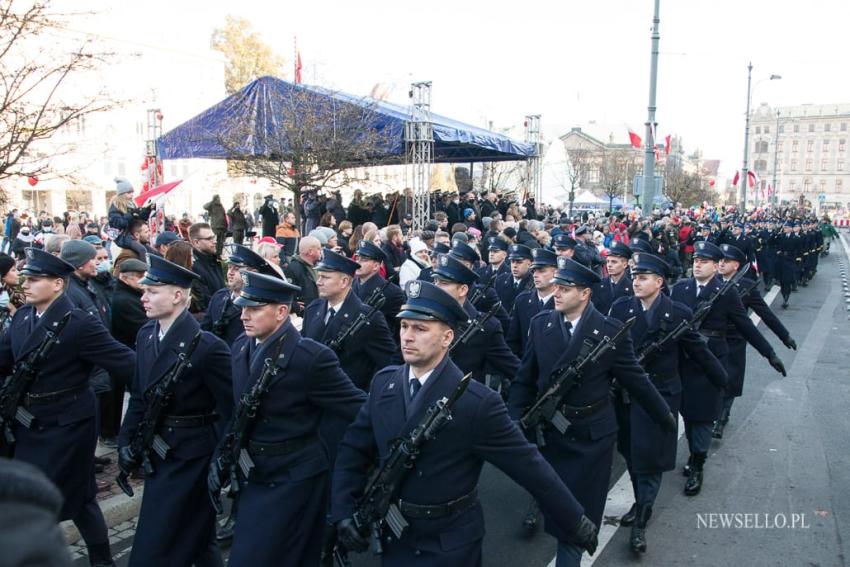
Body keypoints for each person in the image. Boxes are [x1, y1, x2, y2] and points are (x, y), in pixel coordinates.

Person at [331, 281, 598, 567]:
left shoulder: (476, 402)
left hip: (449, 544)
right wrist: (343, 509)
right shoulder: (385, 383)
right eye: (404, 326)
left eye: (420, 329)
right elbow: (353, 450)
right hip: (395, 538)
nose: (407, 337)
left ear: (447, 338)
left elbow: (528, 465)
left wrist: (575, 520)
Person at [507, 257, 675, 567]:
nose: (556, 293)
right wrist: (514, 419)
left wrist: (664, 417)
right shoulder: (540, 325)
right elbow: (523, 380)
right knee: (557, 509)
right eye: (556, 286)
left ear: (585, 293)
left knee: (579, 517)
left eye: (565, 288)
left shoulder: (610, 331)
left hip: (591, 438)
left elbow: (635, 380)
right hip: (550, 434)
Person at [207, 271, 367, 566]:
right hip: (255, 473)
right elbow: (239, 413)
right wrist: (220, 456)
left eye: (254, 309)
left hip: (295, 478)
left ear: (282, 312)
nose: (244, 315)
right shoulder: (241, 347)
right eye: (243, 308)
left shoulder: (311, 357)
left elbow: (360, 410)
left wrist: (352, 476)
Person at [0, 248, 136, 566]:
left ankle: (91, 558)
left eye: (35, 279)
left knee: (66, 496)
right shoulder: (22, 317)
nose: (26, 285)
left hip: (68, 425)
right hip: (29, 422)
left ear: (58, 284)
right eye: (26, 278)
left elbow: (125, 362)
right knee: (76, 497)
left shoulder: (78, 324)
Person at [118, 254, 232, 567]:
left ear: (178, 295)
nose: (144, 297)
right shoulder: (145, 336)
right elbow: (140, 396)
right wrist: (126, 443)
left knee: (160, 545)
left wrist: (221, 461)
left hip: (193, 456)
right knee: (196, 538)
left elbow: (231, 408)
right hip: (158, 451)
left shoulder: (207, 346)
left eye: (152, 291)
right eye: (145, 291)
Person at [609, 252, 727, 552]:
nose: (636, 282)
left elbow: (697, 351)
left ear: (659, 282)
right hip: (626, 396)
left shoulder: (676, 313)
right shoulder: (621, 308)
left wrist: (721, 381)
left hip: (660, 396)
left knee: (651, 460)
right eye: (634, 276)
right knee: (632, 454)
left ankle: (641, 522)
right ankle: (640, 501)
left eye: (643, 277)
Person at [670, 241, 786, 496]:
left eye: (704, 261)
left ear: (715, 266)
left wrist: (770, 353)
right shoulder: (680, 290)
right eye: (695, 260)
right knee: (689, 416)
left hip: (710, 362)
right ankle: (694, 454)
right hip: (684, 361)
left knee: (702, 417)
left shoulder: (726, 292)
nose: (697, 264)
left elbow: (746, 326)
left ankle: (698, 464)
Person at [713, 244, 797, 439]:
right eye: (720, 260)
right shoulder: (711, 282)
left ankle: (722, 417)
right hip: (712, 339)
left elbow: (766, 314)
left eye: (726, 261)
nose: (721, 264)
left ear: (736, 265)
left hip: (734, 339)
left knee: (730, 379)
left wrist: (784, 336)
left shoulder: (746, 287)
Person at [431, 253, 519, 389]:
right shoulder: (427, 317)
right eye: (435, 282)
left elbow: (513, 368)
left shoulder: (486, 327)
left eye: (444, 283)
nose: (436, 287)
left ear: (463, 290)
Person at [202, 244, 279, 348]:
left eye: (237, 269)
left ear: (253, 273)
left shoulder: (259, 304)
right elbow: (204, 331)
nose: (230, 273)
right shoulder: (220, 296)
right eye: (229, 267)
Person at [506, 247, 557, 357]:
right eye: (534, 270)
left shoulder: (564, 303)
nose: (535, 275)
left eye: (542, 270)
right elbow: (513, 341)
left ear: (556, 272)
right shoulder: (522, 300)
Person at [352, 240, 404, 342]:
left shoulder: (392, 292)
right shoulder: (351, 284)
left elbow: (400, 329)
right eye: (358, 258)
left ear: (376, 266)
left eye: (364, 260)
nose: (358, 263)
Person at [108, 177, 152, 262]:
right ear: (122, 194)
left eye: (132, 192)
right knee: (142, 250)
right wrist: (131, 214)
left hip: (132, 234)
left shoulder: (131, 204)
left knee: (151, 250)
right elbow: (117, 224)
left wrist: (147, 210)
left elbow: (140, 221)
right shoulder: (115, 206)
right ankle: (144, 270)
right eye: (129, 193)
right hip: (122, 236)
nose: (132, 195)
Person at [189, 222, 226, 315]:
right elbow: (205, 302)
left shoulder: (214, 260)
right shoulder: (194, 267)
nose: (214, 241)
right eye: (209, 239)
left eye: (214, 237)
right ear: (196, 242)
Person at [590, 241, 633, 316]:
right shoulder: (598, 284)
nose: (609, 265)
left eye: (614, 262)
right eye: (608, 261)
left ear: (625, 264)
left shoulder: (632, 287)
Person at [283, 235, 321, 315]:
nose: (320, 251)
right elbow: (287, 293)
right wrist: (294, 306)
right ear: (310, 252)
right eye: (318, 249)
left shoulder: (316, 266)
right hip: (304, 315)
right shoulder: (293, 268)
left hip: (316, 312)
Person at [494, 243, 534, 313]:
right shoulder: (501, 279)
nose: (514, 266)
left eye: (519, 262)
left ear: (529, 264)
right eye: (512, 262)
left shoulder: (534, 283)